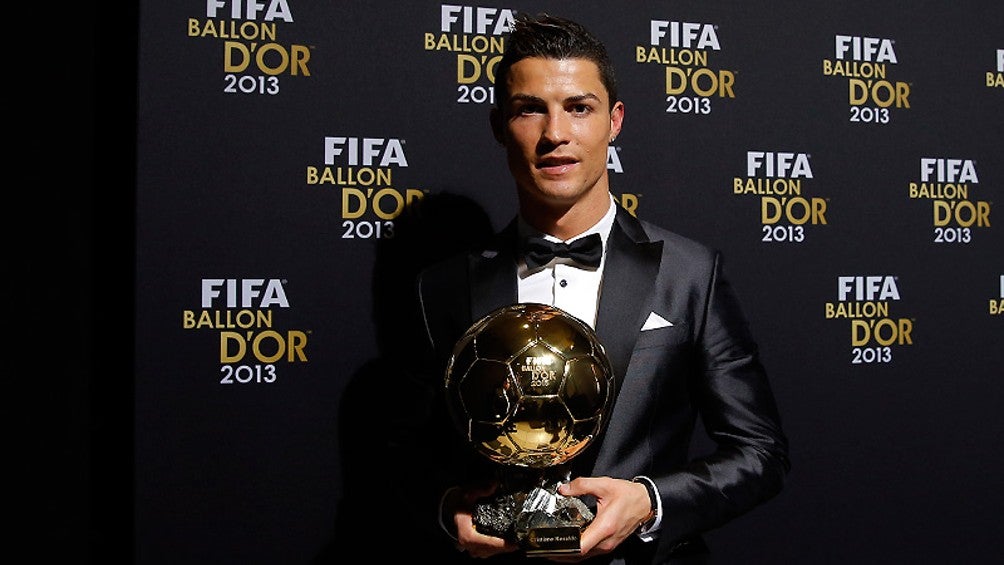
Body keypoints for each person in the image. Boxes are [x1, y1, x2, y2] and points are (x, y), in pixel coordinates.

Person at [406, 13, 789, 564]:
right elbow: (409, 457)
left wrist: (649, 502)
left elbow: (761, 452)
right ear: (498, 126)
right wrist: (448, 509)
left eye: (578, 108)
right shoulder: (442, 287)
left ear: (614, 122)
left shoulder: (689, 273)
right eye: (529, 108)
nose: (555, 133)